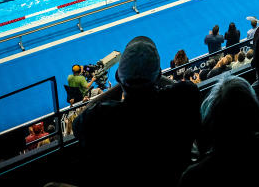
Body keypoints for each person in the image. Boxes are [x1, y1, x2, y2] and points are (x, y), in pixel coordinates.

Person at [73, 35, 201, 186]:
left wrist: (121, 84)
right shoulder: (183, 96)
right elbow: (183, 88)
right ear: (159, 75)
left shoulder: (100, 117)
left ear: (118, 77)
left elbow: (77, 125)